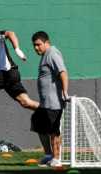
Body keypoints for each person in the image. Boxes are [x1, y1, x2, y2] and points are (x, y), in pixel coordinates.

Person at [31, 31, 69, 167]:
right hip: (45, 103)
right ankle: (48, 155)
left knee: (54, 131)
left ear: (47, 43)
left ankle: (56, 158)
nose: (36, 48)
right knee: (38, 124)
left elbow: (63, 72)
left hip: (54, 103)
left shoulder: (52, 53)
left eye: (38, 45)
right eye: (34, 45)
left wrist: (64, 91)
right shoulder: (45, 55)